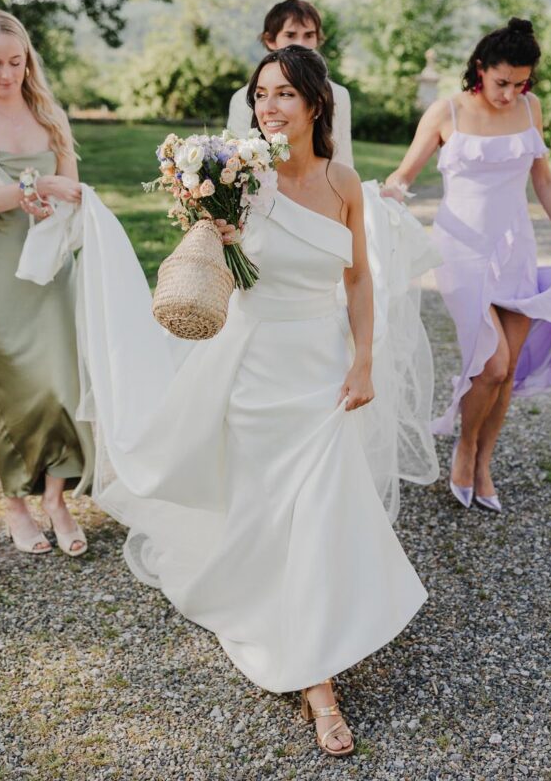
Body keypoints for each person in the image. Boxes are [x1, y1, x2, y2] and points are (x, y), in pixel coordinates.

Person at [70, 46, 438, 757]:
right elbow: (213, 275)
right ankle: (312, 673)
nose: (269, 106)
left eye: (284, 95)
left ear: (315, 105)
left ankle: (318, 670)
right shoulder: (239, 177)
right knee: (272, 515)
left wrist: (363, 360)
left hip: (323, 368)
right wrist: (217, 232)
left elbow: (358, 281)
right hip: (256, 370)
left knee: (324, 510)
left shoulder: (345, 182)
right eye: (261, 93)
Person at [383, 18, 551, 513]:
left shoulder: (531, 109)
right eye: (502, 82)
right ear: (480, 69)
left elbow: (544, 181)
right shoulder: (448, 112)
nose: (509, 94)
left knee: (506, 375)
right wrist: (384, 202)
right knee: (493, 364)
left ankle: (485, 462)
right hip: (461, 250)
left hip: (518, 250)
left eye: (520, 83)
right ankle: (464, 448)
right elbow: (405, 173)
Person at [0, 10, 93, 555]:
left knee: (61, 382)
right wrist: (29, 187)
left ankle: (56, 496)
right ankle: (15, 502)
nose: (7, 74)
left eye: (15, 61)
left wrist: (50, 189)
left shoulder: (49, 112)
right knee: (10, 385)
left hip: (50, 264)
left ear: (27, 59)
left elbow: (70, 187)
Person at [227, 0, 354, 167]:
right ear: (270, 40)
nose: (301, 44)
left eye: (309, 35)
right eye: (290, 35)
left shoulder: (338, 94)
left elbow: (343, 159)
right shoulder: (242, 98)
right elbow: (237, 163)